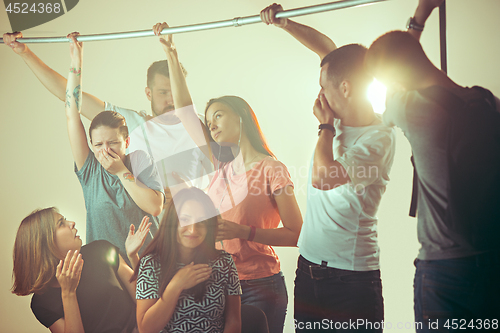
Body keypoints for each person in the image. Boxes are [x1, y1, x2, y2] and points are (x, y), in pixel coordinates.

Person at [152, 22, 304, 333]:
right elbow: (184, 112)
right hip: (219, 281)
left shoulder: (272, 169)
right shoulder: (217, 167)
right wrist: (170, 52)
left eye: (218, 115)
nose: (212, 125)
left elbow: (296, 234)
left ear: (241, 115)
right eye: (208, 122)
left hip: (261, 286)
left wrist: (242, 231)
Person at [365, 0, 500, 331]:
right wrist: (422, 15)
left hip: (446, 269)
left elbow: (397, 70)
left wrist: (419, 19)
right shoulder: (486, 100)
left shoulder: (410, 107)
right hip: (492, 258)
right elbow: (410, 60)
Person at [261, 4, 396, 332]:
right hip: (308, 270)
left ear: (346, 88)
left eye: (325, 86)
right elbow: (327, 50)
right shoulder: (344, 83)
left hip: (350, 281)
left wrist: (325, 128)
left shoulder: (379, 139)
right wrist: (284, 23)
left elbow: (323, 178)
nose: (320, 94)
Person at [2, 28, 211, 205]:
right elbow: (70, 96)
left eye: (175, 92)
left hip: (197, 232)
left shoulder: (202, 123)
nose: (171, 101)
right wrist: (25, 53)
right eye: (163, 93)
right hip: (151, 235)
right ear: (148, 93)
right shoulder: (130, 123)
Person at [62, 32, 164, 263]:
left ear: (126, 142)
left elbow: (155, 207)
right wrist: (76, 63)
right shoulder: (90, 170)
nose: (105, 150)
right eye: (98, 144)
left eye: (113, 143)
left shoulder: (139, 160)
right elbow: (71, 114)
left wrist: (121, 171)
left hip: (150, 270)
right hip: (107, 274)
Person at [11, 207, 151, 333]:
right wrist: (68, 293)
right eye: (61, 223)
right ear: (45, 243)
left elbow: (147, 304)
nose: (71, 223)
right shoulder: (42, 303)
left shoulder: (102, 250)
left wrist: (133, 257)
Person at [134, 187, 241, 333]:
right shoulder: (151, 264)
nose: (192, 230)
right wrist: (176, 285)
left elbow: (233, 321)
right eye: (184, 220)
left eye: (201, 222)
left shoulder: (224, 263)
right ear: (173, 221)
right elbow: (146, 329)